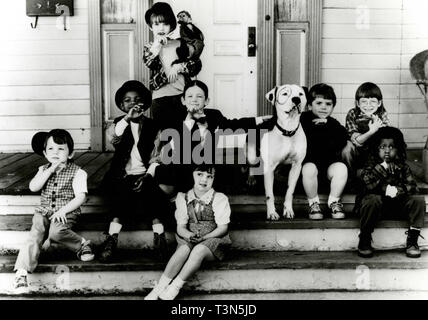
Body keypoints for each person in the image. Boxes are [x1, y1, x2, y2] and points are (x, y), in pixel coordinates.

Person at [150, 79, 271, 193]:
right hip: (182, 165)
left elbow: (233, 124)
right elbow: (174, 148)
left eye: (199, 96)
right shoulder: (176, 118)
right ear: (183, 100)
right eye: (190, 96)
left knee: (227, 176)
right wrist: (189, 120)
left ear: (206, 101)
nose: (194, 100)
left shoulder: (214, 115)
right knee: (166, 176)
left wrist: (259, 119)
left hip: (206, 166)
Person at [99, 80, 174, 262]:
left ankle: (159, 238)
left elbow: (158, 156)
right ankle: (112, 239)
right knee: (121, 193)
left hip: (146, 173)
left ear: (145, 104)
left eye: (137, 99)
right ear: (122, 105)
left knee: (152, 193)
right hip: (122, 174)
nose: (133, 103)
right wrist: (127, 119)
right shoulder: (119, 124)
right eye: (127, 100)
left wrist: (148, 175)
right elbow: (114, 138)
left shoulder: (153, 126)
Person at [13, 129, 94, 291]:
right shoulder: (43, 170)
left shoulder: (78, 172)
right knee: (36, 232)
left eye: (61, 149)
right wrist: (49, 170)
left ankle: (82, 244)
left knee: (56, 232)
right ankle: (21, 273)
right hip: (44, 211)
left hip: (65, 212)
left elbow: (80, 197)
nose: (55, 152)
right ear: (44, 153)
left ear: (70, 154)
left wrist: (63, 211)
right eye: (51, 149)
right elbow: (33, 187)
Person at [145, 165, 231, 300]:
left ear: (214, 179)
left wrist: (205, 237)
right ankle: (160, 288)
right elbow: (180, 227)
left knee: (199, 250)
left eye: (210, 176)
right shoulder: (183, 198)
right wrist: (189, 235)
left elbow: (223, 228)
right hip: (191, 237)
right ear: (192, 175)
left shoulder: (219, 198)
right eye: (200, 175)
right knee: (184, 249)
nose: (204, 179)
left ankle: (175, 287)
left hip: (214, 239)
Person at [356, 126, 425, 258]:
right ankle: (365, 238)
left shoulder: (401, 166)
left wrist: (399, 190)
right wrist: (381, 170)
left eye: (392, 147)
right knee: (371, 199)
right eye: (383, 147)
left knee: (418, 200)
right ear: (376, 148)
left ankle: (412, 240)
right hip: (374, 209)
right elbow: (367, 184)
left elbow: (412, 186)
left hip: (396, 207)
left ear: (398, 149)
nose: (387, 151)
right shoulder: (371, 165)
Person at [143, 2, 204, 131]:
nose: (161, 28)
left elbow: (196, 65)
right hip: (160, 98)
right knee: (165, 135)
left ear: (171, 25)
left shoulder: (180, 43)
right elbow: (149, 63)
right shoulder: (150, 48)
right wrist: (157, 46)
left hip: (182, 96)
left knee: (185, 133)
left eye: (165, 24)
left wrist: (179, 67)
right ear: (150, 27)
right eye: (157, 24)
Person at [300, 83, 349, 220]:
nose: (323, 107)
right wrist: (313, 128)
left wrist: (327, 127)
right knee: (309, 168)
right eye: (319, 103)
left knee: (341, 168)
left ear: (333, 107)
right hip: (307, 171)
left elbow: (343, 138)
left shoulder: (332, 123)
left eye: (328, 104)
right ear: (309, 105)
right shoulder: (302, 120)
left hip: (328, 169)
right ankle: (313, 203)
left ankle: (334, 201)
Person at [342, 82, 390, 174]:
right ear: (358, 103)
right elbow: (355, 140)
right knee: (346, 148)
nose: (368, 105)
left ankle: (377, 176)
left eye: (373, 101)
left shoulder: (382, 114)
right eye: (364, 101)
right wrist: (372, 131)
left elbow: (385, 137)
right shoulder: (353, 113)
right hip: (357, 152)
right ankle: (349, 177)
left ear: (379, 103)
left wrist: (376, 125)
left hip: (374, 151)